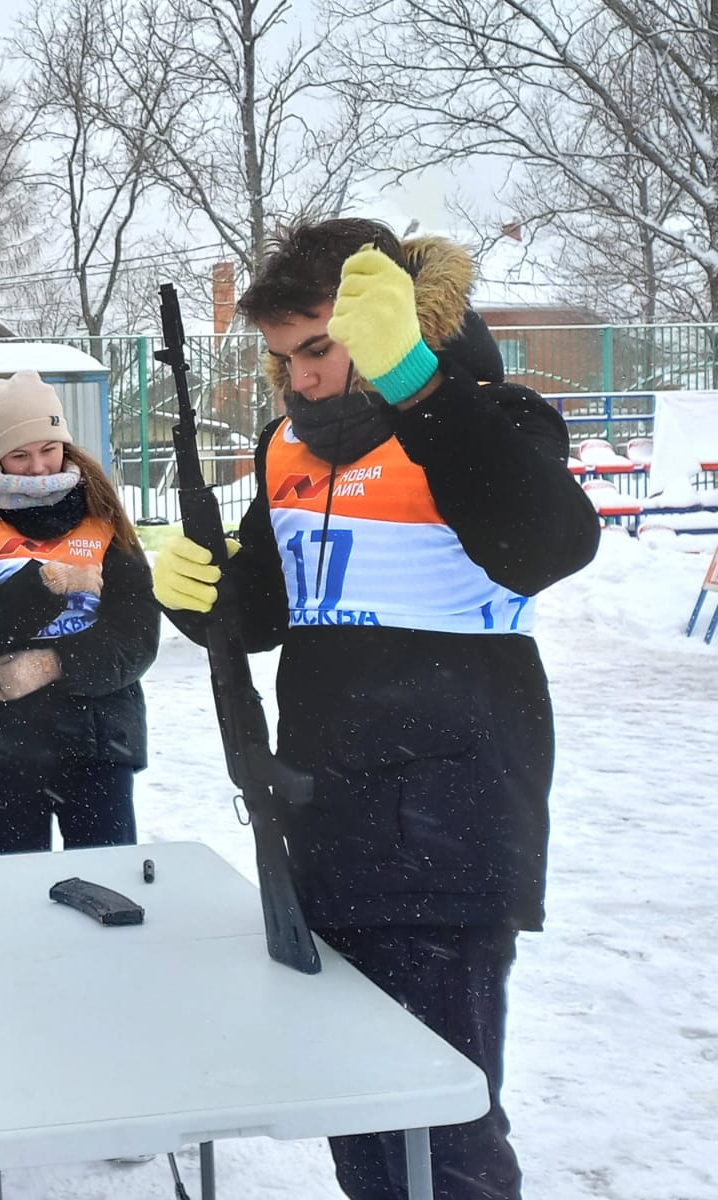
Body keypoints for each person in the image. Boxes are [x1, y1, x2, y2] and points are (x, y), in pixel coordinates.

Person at [151, 219, 600, 1199]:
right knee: (358, 1121)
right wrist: (198, 599)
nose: (298, 379)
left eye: (318, 348)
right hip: (322, 825)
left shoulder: (488, 416)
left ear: (391, 319)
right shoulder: (287, 450)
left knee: (444, 1129)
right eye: (280, 358)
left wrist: (416, 386)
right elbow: (267, 614)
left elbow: (544, 544)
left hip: (452, 833)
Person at [0, 370, 159, 854]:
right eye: (19, 454)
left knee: (110, 890)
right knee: (21, 899)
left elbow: (136, 638)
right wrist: (45, 584)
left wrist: (53, 664)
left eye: (48, 449)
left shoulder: (103, 514)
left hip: (99, 741)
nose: (38, 467)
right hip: (2, 745)